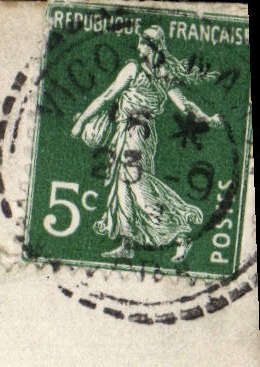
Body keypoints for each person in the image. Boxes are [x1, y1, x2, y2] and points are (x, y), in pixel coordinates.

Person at [71, 25, 223, 264]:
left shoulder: (137, 70)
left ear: (151, 47)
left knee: (139, 187)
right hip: (129, 132)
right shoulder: (162, 74)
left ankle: (180, 234)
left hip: (136, 134)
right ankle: (127, 243)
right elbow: (186, 106)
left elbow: (108, 95)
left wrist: (81, 121)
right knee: (123, 188)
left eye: (142, 43)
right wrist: (208, 118)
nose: (138, 46)